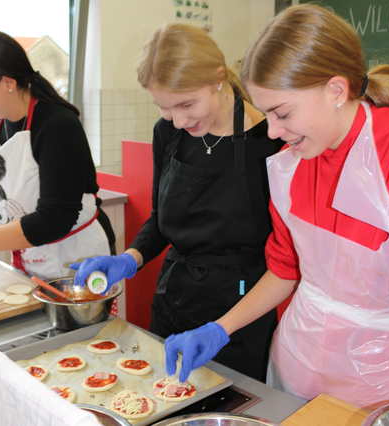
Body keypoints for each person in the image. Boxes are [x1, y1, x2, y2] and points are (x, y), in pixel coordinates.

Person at [163, 4, 389, 411]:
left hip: (384, 383)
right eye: (266, 113)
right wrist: (220, 327)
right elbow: (285, 269)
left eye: (282, 113)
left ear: (336, 91)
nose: (272, 131)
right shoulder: (291, 163)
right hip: (296, 364)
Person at [70, 23, 284, 381]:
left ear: (218, 77)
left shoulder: (271, 141)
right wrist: (130, 258)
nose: (179, 120)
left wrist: (221, 328)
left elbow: (286, 258)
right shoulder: (167, 133)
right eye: (165, 108)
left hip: (240, 312)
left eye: (187, 104)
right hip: (174, 299)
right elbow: (161, 219)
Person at [0, 30, 115, 279]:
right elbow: (0, 197)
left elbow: (54, 219)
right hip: (34, 256)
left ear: (8, 82)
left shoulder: (57, 126)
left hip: (76, 257)